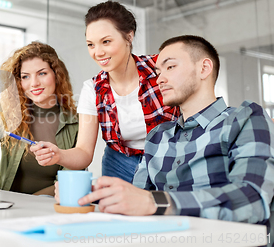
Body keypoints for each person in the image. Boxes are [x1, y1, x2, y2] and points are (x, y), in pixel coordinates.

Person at [74, 35, 274, 225]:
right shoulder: (157, 137)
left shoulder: (246, 119)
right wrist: (86, 195)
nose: (159, 79)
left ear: (204, 68)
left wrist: (157, 202)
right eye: (158, 72)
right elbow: (135, 200)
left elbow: (252, 199)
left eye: (170, 67)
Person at [32, 1, 179, 182]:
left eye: (106, 42)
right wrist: (58, 155)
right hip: (120, 164)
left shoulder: (161, 68)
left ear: (129, 37)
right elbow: (84, 152)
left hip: (170, 158)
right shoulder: (92, 89)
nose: (98, 52)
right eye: (91, 45)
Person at [0, 41, 79, 196]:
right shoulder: (5, 116)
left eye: (42, 73)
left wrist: (30, 204)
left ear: (57, 75)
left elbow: (70, 180)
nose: (34, 83)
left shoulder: (77, 123)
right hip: (6, 208)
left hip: (49, 209)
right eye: (25, 77)